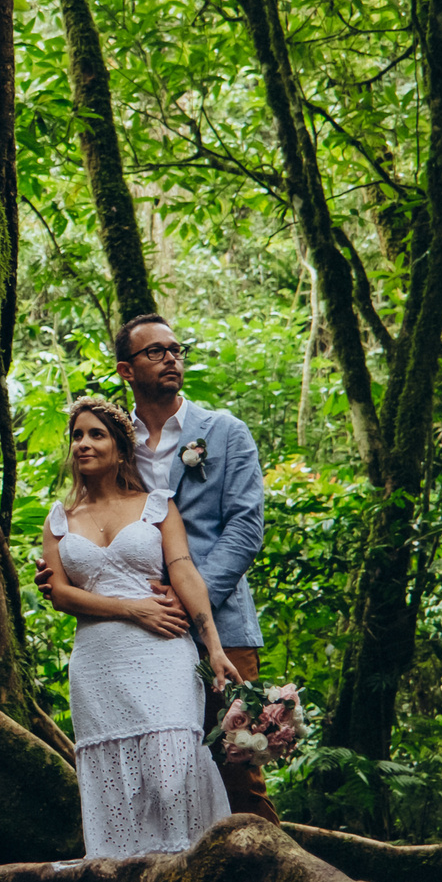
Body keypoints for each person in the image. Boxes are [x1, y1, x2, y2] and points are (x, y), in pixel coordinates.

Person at [36, 394, 240, 858]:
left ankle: (187, 866)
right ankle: (123, 872)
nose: (83, 444)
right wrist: (133, 609)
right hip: (97, 659)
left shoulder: (156, 506)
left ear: (122, 449)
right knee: (114, 770)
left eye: (95, 434)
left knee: (171, 767)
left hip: (163, 652)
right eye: (76, 436)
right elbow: (62, 594)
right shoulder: (60, 520)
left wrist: (213, 645)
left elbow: (184, 572)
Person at [114, 311, 279, 822]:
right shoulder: (117, 441)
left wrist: (193, 597)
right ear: (126, 370)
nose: (171, 359)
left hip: (223, 625)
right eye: (156, 352)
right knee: (164, 770)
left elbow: (246, 529)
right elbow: (99, 517)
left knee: (237, 764)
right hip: (145, 628)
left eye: (176, 349)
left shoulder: (223, 431)